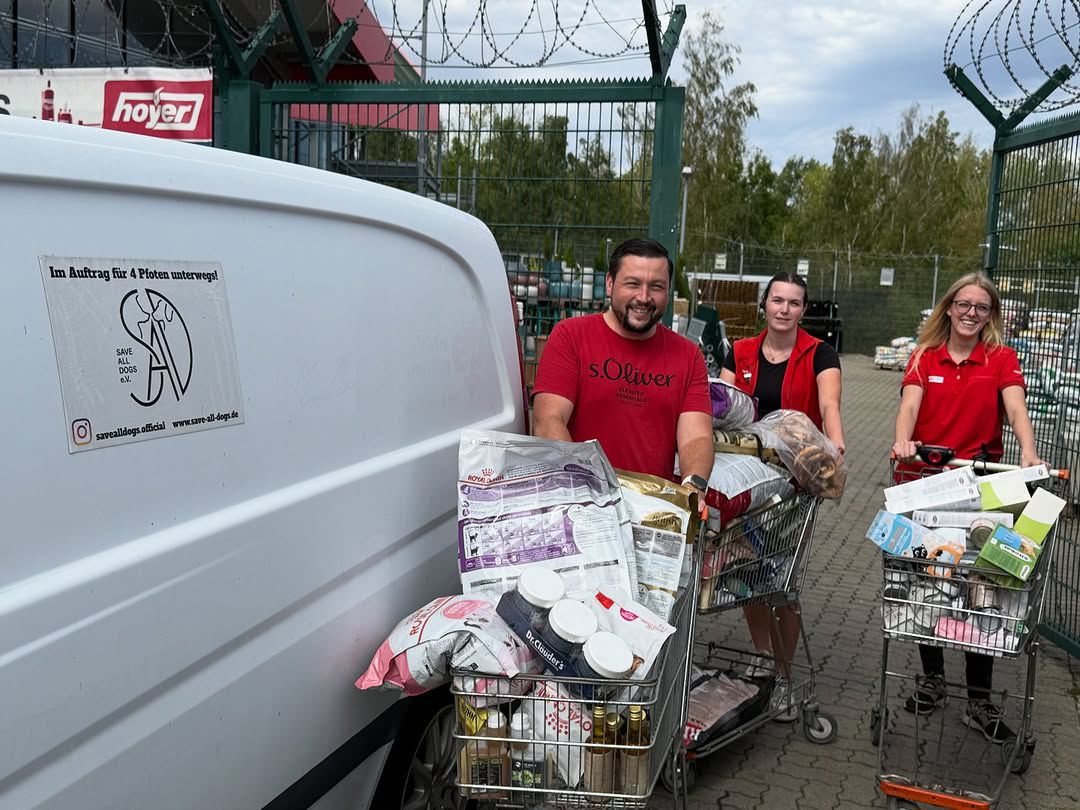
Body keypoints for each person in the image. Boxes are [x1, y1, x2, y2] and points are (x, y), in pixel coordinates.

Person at [892, 271, 1042, 743]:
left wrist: (1028, 451)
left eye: (981, 306)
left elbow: (1015, 408)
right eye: (964, 304)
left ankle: (979, 700)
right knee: (928, 585)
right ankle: (933, 678)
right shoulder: (923, 357)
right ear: (949, 307)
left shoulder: (1000, 359)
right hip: (924, 482)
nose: (971, 313)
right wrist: (903, 440)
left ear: (990, 314)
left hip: (981, 488)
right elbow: (910, 406)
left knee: (982, 590)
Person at [718, 271, 845, 713]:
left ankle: (786, 676)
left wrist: (835, 441)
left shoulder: (819, 353)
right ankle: (762, 656)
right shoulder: (740, 350)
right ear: (765, 304)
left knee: (782, 582)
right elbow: (724, 404)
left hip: (792, 484)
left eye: (793, 302)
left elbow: (829, 405)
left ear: (803, 310)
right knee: (741, 573)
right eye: (777, 300)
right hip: (745, 480)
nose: (784, 309)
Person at [531, 237, 713, 496]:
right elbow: (548, 420)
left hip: (650, 511)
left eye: (656, 286)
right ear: (609, 283)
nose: (644, 297)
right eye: (633, 284)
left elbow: (696, 437)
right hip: (581, 499)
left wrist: (693, 485)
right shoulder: (571, 336)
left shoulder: (688, 355)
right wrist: (585, 487)